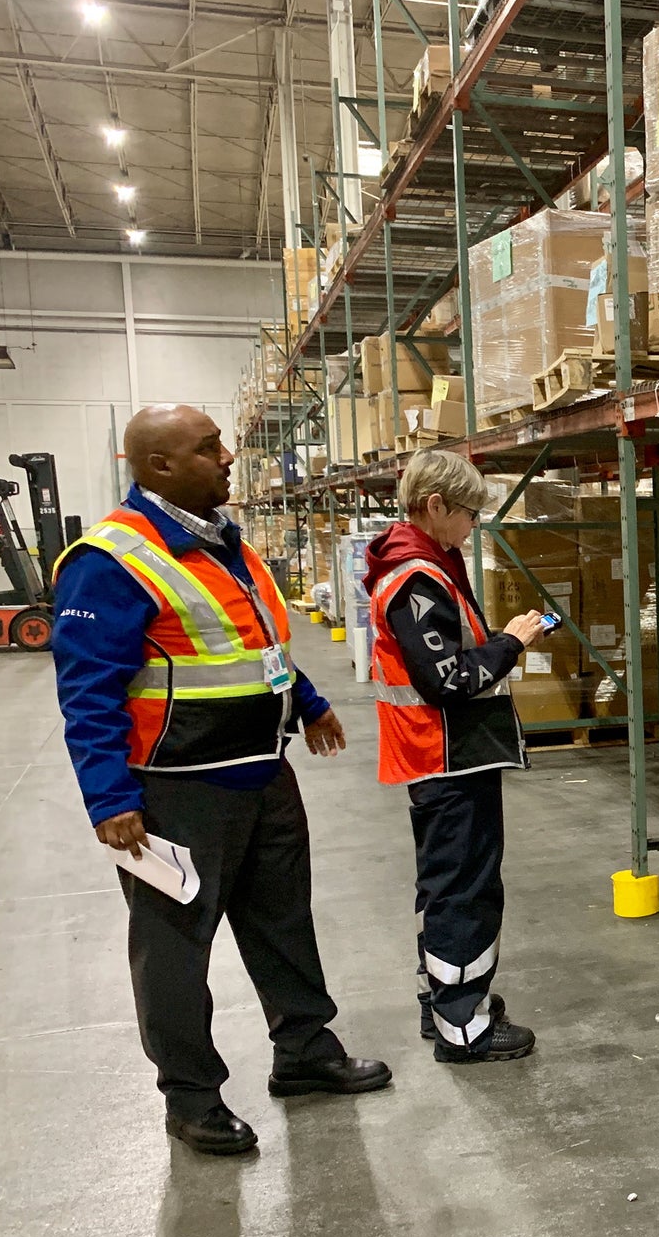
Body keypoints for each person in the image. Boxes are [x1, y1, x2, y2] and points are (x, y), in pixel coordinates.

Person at [50, 404, 390, 1157]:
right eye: (209, 450)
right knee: (175, 947)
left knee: (282, 921)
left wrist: (309, 701)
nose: (229, 457)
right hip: (174, 791)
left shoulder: (226, 542)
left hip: (263, 772)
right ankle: (192, 1095)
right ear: (159, 467)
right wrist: (110, 800)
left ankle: (305, 1051)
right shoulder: (111, 560)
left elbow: (256, 642)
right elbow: (88, 696)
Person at [364, 450, 547, 1064]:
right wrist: (511, 643)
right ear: (435, 505)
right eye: (469, 514)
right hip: (444, 755)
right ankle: (462, 1026)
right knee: (465, 889)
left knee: (446, 882)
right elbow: (449, 680)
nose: (473, 526)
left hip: (443, 753)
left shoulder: (426, 562)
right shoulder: (416, 577)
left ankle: (442, 999)